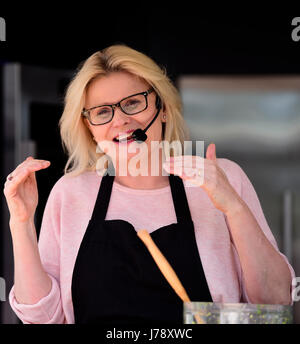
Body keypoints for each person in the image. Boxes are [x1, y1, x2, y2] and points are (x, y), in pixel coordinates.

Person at [4, 45, 295, 324]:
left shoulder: (222, 179)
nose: (120, 120)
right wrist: (21, 223)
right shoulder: (71, 193)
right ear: (90, 129)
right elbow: (43, 319)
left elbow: (275, 300)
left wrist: (233, 206)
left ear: (163, 108)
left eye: (132, 102)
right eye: (103, 112)